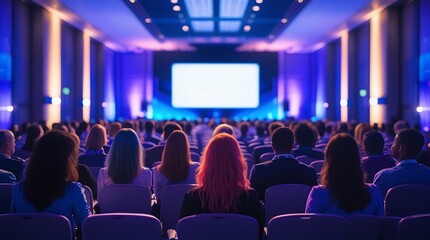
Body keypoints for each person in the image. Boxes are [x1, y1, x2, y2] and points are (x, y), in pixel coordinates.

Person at [181, 133, 264, 237]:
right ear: (237, 161)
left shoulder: (191, 198)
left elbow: (184, 234)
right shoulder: (250, 197)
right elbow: (258, 234)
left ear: (207, 162)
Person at [11, 130, 90, 231]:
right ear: (65, 160)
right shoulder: (73, 190)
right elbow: (86, 225)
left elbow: (14, 224)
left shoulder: (18, 189)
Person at [305, 133, 384, 217]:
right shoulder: (374, 192)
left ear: (328, 160)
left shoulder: (319, 193)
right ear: (357, 159)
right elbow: (381, 226)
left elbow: (310, 227)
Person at [250, 127, 318, 200]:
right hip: (300, 211)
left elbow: (253, 200)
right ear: (293, 145)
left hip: (267, 211)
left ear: (272, 146)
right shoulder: (309, 172)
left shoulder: (258, 170)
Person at [373, 128, 430, 197]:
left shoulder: (384, 176)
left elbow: (376, 204)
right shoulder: (428, 174)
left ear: (400, 148)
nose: (391, 146)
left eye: (394, 143)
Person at [97, 128, 151, 197]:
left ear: (115, 149)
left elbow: (100, 201)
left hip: (111, 208)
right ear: (137, 149)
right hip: (136, 208)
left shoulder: (103, 174)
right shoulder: (146, 174)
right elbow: (146, 202)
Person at [153, 130, 199, 201]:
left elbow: (158, 198)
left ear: (167, 148)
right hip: (189, 211)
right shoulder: (196, 168)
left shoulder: (158, 171)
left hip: (166, 211)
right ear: (186, 147)